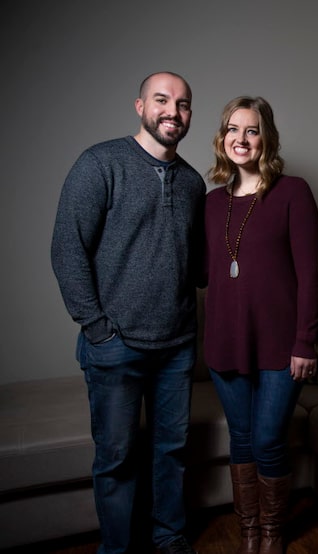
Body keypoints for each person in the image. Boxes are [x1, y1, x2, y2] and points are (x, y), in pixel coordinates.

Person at [51, 72, 205, 554]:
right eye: (162, 100)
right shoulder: (99, 163)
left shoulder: (194, 182)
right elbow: (67, 249)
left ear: (189, 116)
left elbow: (198, 266)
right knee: (117, 458)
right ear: (140, 105)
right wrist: (96, 328)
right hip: (115, 345)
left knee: (172, 453)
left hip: (177, 345)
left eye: (182, 105)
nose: (172, 112)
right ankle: (117, 549)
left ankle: (169, 538)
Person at [203, 96, 318, 554]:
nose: (241, 139)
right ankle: (248, 529)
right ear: (222, 138)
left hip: (280, 345)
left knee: (270, 440)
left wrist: (305, 342)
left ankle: (273, 531)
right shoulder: (212, 204)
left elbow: (310, 275)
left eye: (251, 130)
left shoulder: (294, 192)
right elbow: (203, 271)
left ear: (266, 137)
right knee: (242, 438)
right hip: (224, 343)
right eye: (233, 129)